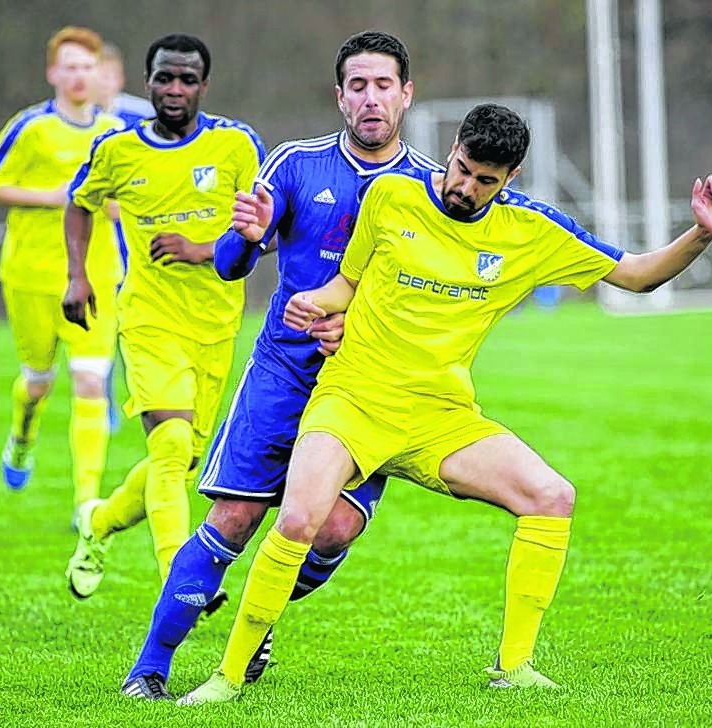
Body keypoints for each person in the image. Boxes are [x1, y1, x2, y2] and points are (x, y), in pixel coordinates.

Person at [180, 102, 712, 703]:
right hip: (352, 400)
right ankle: (226, 679)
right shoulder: (392, 197)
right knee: (298, 519)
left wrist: (703, 233)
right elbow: (350, 281)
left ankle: (515, 666)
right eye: (463, 169)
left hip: (440, 417)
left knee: (552, 496)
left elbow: (637, 276)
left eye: (485, 181)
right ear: (451, 151)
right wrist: (316, 302)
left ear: (510, 180)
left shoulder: (531, 231)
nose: (467, 188)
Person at [118, 31, 444, 701]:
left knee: (331, 528)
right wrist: (242, 234)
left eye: (383, 85)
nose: (370, 98)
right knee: (233, 519)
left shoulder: (429, 189)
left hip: (366, 384)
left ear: (406, 95)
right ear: (339, 96)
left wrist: (357, 325)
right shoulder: (294, 163)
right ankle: (147, 671)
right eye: (357, 86)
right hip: (282, 373)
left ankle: (253, 618)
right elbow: (237, 267)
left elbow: (428, 304)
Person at [61, 34, 265, 615]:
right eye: (164, 78)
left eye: (187, 80)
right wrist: (79, 277)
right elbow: (80, 203)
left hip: (216, 325)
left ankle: (98, 523)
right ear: (146, 81)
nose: (174, 90)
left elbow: (263, 229)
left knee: (179, 463)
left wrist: (203, 249)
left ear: (204, 85)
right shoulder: (118, 149)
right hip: (148, 319)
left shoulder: (236, 145)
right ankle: (184, 579)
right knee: (171, 446)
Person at [0, 26, 124, 521]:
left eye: (87, 67)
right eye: (70, 67)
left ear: (99, 73)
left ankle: (86, 502)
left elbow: (125, 203)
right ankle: (22, 434)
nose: (80, 77)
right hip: (32, 277)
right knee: (38, 381)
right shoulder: (30, 128)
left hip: (98, 276)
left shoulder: (117, 134)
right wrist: (57, 196)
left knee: (89, 382)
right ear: (53, 72)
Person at [93, 42, 155, 435]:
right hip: (98, 248)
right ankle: (103, 402)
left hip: (140, 244)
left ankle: (146, 396)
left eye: (103, 73)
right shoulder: (78, 125)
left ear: (117, 77)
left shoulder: (145, 117)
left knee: (141, 325)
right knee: (102, 327)